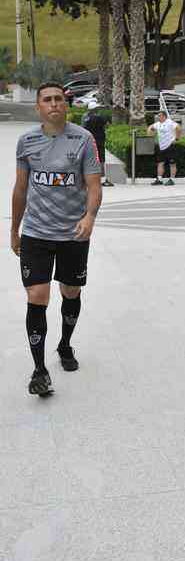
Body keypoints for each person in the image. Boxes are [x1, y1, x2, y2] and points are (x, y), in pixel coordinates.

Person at [11, 82, 103, 397]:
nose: (54, 104)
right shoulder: (26, 142)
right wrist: (14, 229)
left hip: (73, 234)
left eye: (59, 99)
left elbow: (93, 185)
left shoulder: (84, 139)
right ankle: (39, 370)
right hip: (36, 233)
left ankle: (65, 345)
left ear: (67, 105)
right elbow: (21, 189)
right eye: (47, 100)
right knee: (37, 296)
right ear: (38, 107)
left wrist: (89, 217)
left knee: (70, 291)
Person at [82, 100, 113, 186]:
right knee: (101, 159)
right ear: (94, 109)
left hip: (89, 141)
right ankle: (102, 179)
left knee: (89, 159)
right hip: (99, 141)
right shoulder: (99, 118)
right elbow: (107, 125)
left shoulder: (85, 117)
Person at [148, 110, 181, 185]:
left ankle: (172, 180)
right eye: (158, 116)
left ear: (164, 116)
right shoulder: (158, 124)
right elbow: (151, 127)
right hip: (161, 147)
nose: (158, 117)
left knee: (172, 163)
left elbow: (178, 128)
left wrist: (176, 139)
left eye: (160, 116)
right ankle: (159, 179)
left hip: (170, 146)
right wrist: (149, 131)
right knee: (160, 163)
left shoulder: (169, 122)